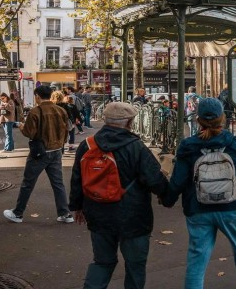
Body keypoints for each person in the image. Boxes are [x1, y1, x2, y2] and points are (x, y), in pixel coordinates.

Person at [162, 98, 236, 289]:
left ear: (198, 120)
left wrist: (168, 199)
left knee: (197, 255)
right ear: (222, 118)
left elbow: (178, 180)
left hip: (198, 207)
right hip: (233, 205)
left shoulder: (188, 145)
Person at [69, 102, 168, 289]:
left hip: (97, 213)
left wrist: (77, 206)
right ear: (129, 122)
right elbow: (154, 178)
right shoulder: (136, 147)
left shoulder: (87, 145)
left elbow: (77, 178)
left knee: (102, 262)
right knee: (135, 265)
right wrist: (167, 197)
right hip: (134, 216)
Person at [4, 85, 73, 224]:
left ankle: (18, 213)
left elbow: (30, 132)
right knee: (58, 184)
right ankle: (65, 213)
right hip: (57, 150)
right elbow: (67, 130)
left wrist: (22, 126)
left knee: (28, 183)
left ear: (37, 96)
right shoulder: (60, 110)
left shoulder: (36, 111)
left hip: (40, 152)